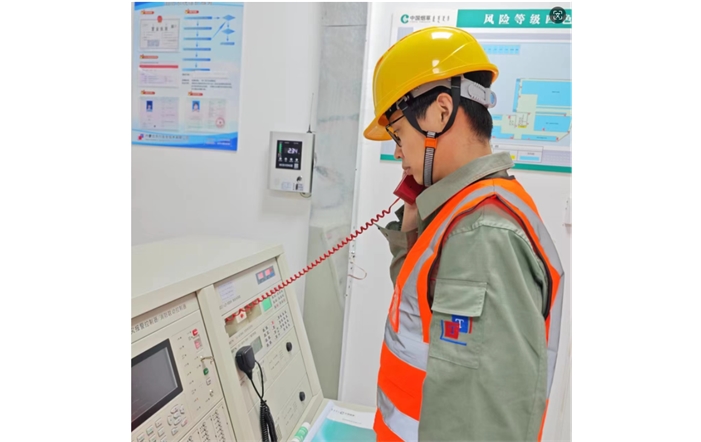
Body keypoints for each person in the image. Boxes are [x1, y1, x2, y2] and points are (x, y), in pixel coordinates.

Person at [363, 27, 565, 441]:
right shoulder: (459, 213)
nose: (397, 152)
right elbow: (421, 316)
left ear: (440, 113)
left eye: (398, 134)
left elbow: (482, 423)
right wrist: (412, 222)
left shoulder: (483, 236)